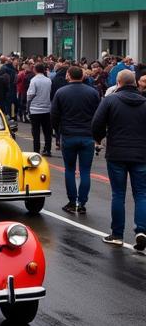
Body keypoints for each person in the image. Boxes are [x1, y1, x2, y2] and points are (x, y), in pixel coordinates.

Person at [91, 68, 146, 249]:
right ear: (136, 83)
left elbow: (97, 123)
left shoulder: (110, 100)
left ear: (119, 83)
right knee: (141, 194)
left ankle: (117, 234)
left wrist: (99, 139)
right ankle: (142, 230)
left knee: (118, 194)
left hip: (116, 153)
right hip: (141, 153)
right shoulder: (144, 102)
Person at [51, 65, 100, 215]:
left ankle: (72, 202)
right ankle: (82, 202)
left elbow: (54, 115)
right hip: (87, 135)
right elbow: (98, 115)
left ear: (69, 76)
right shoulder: (93, 92)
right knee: (85, 171)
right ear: (83, 76)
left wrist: (57, 134)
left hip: (69, 134)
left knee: (70, 170)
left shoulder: (61, 92)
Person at [25, 62, 53, 156]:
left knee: (36, 131)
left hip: (35, 109)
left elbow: (30, 94)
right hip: (46, 108)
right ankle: (47, 149)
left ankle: (36, 150)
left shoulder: (34, 80)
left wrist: (27, 105)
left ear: (35, 70)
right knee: (47, 131)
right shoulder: (48, 80)